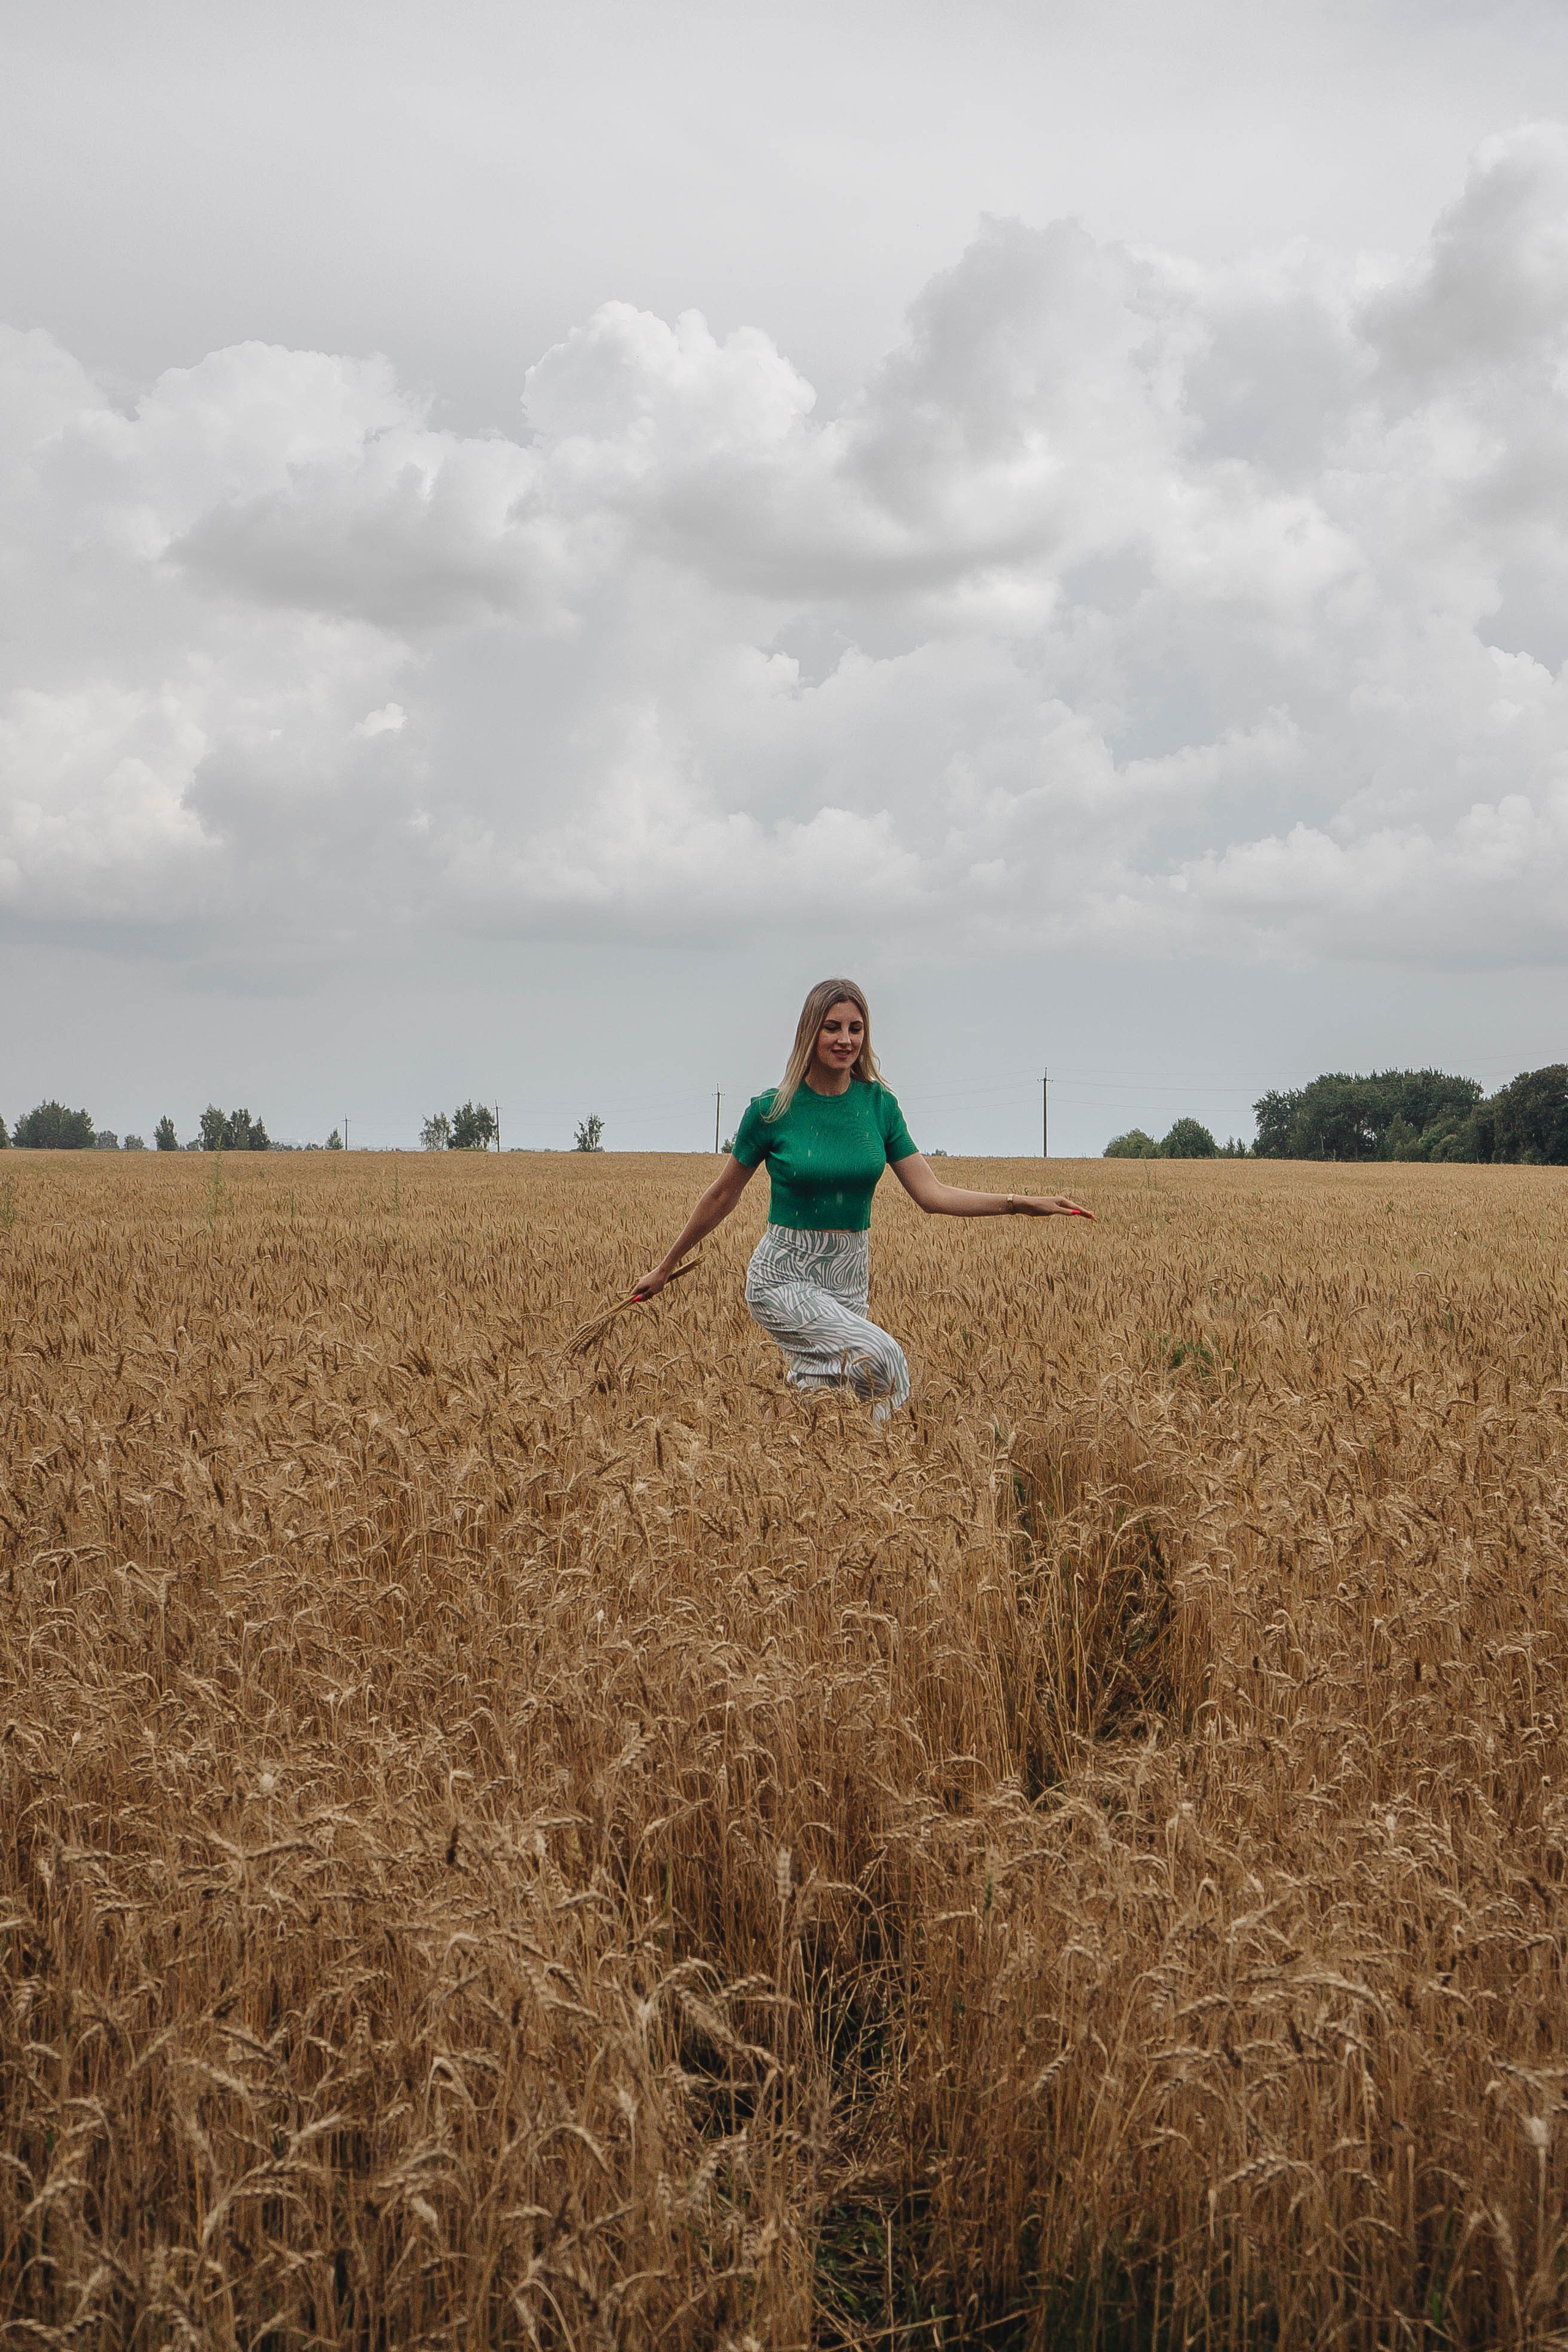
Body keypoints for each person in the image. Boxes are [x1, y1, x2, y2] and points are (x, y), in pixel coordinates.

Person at [631, 978, 1092, 1417]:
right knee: (883, 1358)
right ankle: (879, 1455)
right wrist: (666, 1267)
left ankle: (793, 1470)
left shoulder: (879, 1106)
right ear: (810, 1032)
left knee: (824, 1404)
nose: (845, 1040)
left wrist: (1021, 1203)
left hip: (850, 1276)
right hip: (783, 1276)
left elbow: (932, 1194)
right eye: (832, 1027)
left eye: (856, 1028)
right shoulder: (772, 1111)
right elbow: (722, 1195)